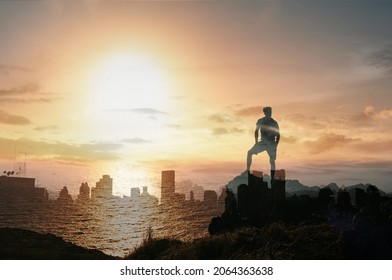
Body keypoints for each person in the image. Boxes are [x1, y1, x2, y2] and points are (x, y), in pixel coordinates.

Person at [246, 106, 280, 180]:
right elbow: (256, 131)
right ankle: (247, 171)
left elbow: (278, 135)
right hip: (264, 142)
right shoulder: (261, 121)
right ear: (265, 113)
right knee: (249, 153)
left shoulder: (274, 122)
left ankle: (272, 178)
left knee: (272, 161)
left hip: (271, 143)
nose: (270, 113)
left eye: (271, 112)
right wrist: (256, 142)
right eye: (269, 112)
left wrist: (275, 146)